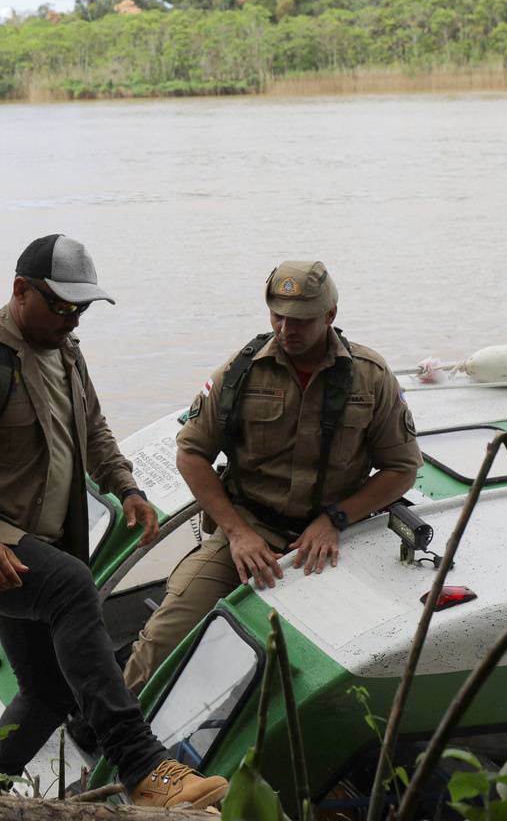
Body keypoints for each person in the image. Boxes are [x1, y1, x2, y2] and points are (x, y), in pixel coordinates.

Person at [0, 235, 230, 808]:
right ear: (20, 291)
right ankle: (143, 766)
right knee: (74, 587)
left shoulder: (67, 352)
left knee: (48, 693)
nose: (69, 319)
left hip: (22, 545)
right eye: (58, 305)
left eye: (79, 309)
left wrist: (127, 487)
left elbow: (94, 429)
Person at [122, 260, 422, 691]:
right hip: (248, 530)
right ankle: (112, 731)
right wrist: (237, 531)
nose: (286, 330)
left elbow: (401, 468)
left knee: (329, 659)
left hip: (333, 541)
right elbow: (191, 454)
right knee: (167, 631)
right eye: (277, 316)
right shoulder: (240, 372)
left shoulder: (370, 377)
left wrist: (337, 518)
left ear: (330, 315)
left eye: (300, 320)